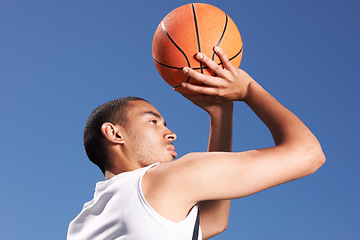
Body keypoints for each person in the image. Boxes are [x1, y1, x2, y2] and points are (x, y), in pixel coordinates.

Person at [67, 46, 325, 240]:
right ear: (114, 133)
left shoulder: (81, 226)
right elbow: (309, 154)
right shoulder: (164, 180)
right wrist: (247, 88)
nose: (170, 133)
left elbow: (213, 220)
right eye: (153, 122)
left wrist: (221, 114)